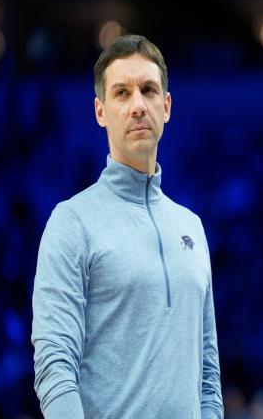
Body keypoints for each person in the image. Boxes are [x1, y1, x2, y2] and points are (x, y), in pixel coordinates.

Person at [31, 34, 224, 419]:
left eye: (148, 90)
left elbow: (207, 377)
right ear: (100, 111)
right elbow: (54, 365)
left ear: (166, 107)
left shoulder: (192, 227)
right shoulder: (72, 222)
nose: (137, 105)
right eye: (122, 93)